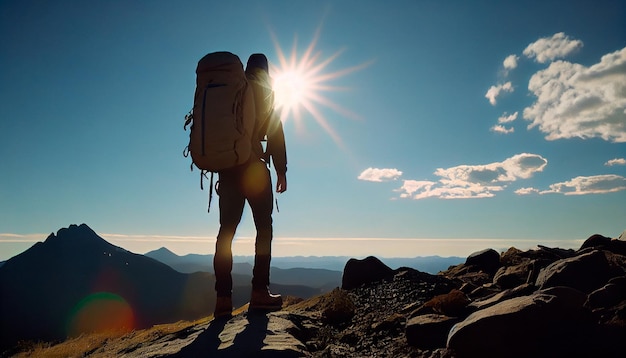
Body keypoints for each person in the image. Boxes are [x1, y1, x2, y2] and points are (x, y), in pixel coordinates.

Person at [213, 53, 288, 318]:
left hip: (229, 170)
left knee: (226, 233)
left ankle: (222, 300)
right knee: (263, 228)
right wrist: (281, 171)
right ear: (266, 71)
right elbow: (276, 133)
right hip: (255, 168)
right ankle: (259, 293)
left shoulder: (234, 91)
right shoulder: (266, 92)